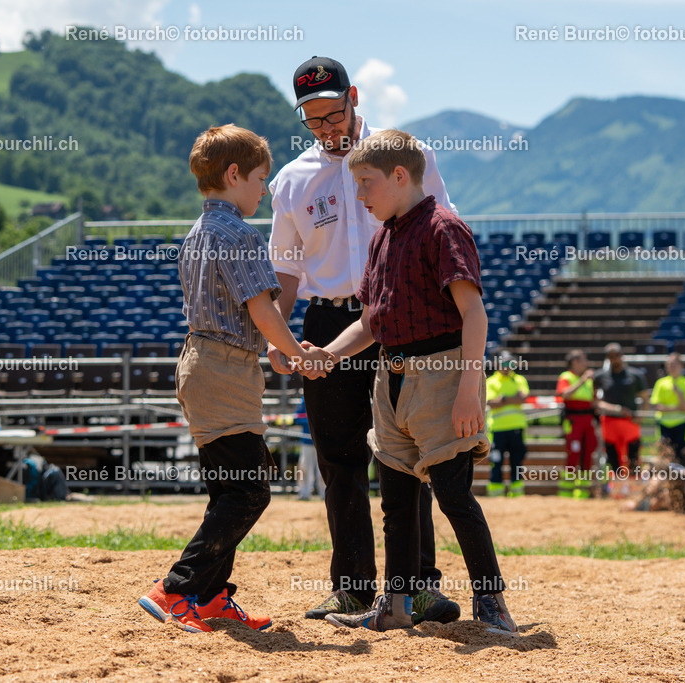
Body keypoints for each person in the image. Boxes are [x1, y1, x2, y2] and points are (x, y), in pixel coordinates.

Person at [268, 56, 457, 624]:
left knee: (408, 456)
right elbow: (285, 270)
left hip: (400, 317)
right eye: (314, 120)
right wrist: (277, 336)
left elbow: (440, 224)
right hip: (327, 325)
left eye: (334, 113)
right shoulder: (293, 180)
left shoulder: (405, 156)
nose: (328, 128)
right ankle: (351, 588)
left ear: (353, 97)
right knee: (339, 458)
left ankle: (417, 586)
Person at [137, 124, 333, 633]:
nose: (265, 190)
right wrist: (295, 352)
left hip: (204, 362)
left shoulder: (196, 235)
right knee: (250, 490)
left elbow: (246, 316)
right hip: (225, 370)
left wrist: (282, 350)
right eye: (260, 179)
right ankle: (178, 586)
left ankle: (211, 596)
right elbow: (263, 311)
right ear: (233, 174)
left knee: (228, 490)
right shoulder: (241, 234)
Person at [321, 129, 517, 634]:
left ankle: (491, 602)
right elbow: (369, 323)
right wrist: (325, 356)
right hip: (390, 375)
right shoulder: (383, 236)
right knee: (397, 501)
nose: (359, 195)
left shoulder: (443, 228)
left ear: (401, 176)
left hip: (442, 373)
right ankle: (396, 604)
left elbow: (474, 313)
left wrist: (469, 389)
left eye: (365, 183)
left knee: (454, 496)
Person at [594, 343, 648, 475]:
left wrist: (641, 416)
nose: (614, 359)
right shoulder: (600, 376)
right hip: (610, 422)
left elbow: (645, 398)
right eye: (611, 356)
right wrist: (615, 409)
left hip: (630, 422)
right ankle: (617, 489)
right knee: (613, 459)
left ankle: (634, 488)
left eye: (616, 355)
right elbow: (595, 402)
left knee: (633, 458)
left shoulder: (635, 375)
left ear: (622, 356)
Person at [486, 351, 529, 497]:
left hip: (516, 428)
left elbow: (523, 398)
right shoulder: (490, 381)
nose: (507, 367)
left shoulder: (519, 379)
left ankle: (516, 492)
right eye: (504, 363)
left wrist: (503, 399)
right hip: (497, 429)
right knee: (496, 461)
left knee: (517, 461)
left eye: (510, 363)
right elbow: (491, 403)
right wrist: (512, 399)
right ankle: (496, 493)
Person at [556, 349, 597, 498]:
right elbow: (565, 394)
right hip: (573, 421)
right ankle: (566, 491)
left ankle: (582, 491)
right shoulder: (566, 377)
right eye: (583, 360)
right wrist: (583, 380)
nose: (586, 363)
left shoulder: (589, 380)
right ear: (575, 362)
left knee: (588, 454)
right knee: (573, 454)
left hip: (588, 421)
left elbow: (593, 401)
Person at [649, 353, 685, 463]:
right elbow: (657, 406)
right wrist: (678, 408)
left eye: (674, 364)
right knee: (665, 460)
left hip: (682, 426)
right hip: (664, 427)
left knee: (682, 460)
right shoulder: (660, 383)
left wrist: (679, 393)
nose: (671, 367)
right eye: (669, 365)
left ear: (681, 366)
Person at [294, 398, 324, 500]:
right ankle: (303, 493)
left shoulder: (325, 399)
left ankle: (325, 494)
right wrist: (311, 420)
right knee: (304, 468)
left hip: (322, 442)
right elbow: (297, 418)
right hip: (307, 442)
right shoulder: (304, 400)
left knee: (324, 469)